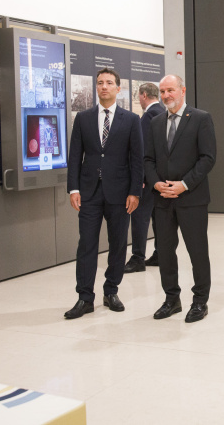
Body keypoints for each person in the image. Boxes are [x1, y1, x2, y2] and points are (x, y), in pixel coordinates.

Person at [65, 68, 143, 319]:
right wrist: (73, 188)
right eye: (100, 83)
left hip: (120, 193)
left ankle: (111, 291)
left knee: (118, 244)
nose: (104, 87)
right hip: (89, 192)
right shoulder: (83, 118)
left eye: (109, 83)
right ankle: (84, 297)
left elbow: (136, 159)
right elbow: (75, 155)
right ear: (96, 87)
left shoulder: (131, 120)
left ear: (118, 89)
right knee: (86, 244)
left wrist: (134, 191)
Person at [145, 75, 217, 323]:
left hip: (192, 198)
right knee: (165, 251)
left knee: (197, 251)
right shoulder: (155, 123)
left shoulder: (200, 118)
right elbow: (147, 159)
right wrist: (156, 183)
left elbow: (208, 158)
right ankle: (171, 299)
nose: (166, 95)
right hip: (162, 198)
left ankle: (200, 302)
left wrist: (184, 185)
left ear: (182, 90)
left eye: (171, 90)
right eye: (162, 91)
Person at [124, 82, 165, 273]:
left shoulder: (149, 115)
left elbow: (141, 149)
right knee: (158, 217)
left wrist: (138, 175)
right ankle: (160, 253)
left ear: (143, 95)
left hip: (148, 177)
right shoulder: (163, 112)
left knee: (140, 217)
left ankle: (137, 257)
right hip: (161, 176)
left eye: (138, 96)